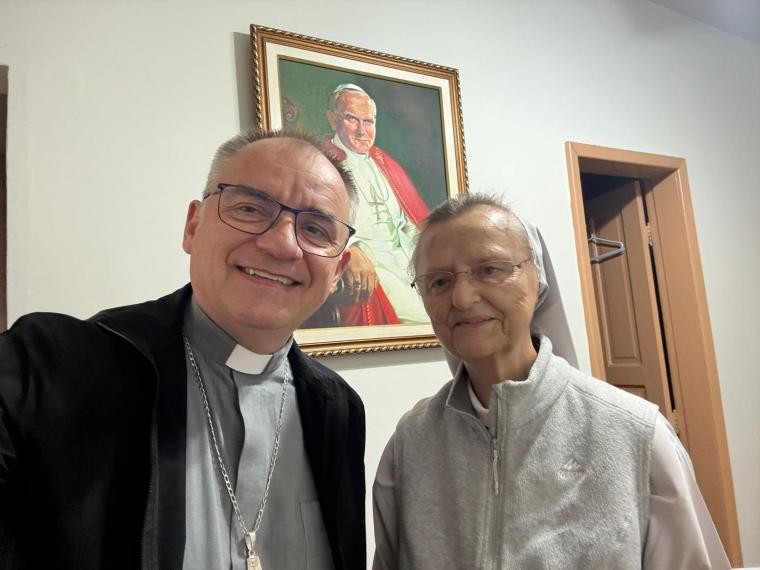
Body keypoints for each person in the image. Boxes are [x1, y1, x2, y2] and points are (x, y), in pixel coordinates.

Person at [0, 130, 367, 570]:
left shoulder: (338, 410)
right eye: (250, 209)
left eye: (315, 229)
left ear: (337, 271)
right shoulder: (51, 366)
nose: (281, 244)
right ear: (193, 226)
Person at [372, 194, 730, 569]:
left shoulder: (636, 435)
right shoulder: (411, 445)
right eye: (439, 282)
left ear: (538, 280)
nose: (461, 297)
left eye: (489, 269)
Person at [321, 83, 430, 326]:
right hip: (374, 264)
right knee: (424, 319)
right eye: (352, 119)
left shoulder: (384, 161)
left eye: (368, 122)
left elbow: (410, 221)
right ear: (332, 119)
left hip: (407, 259)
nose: (362, 131)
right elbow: (317, 222)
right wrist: (350, 248)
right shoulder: (321, 162)